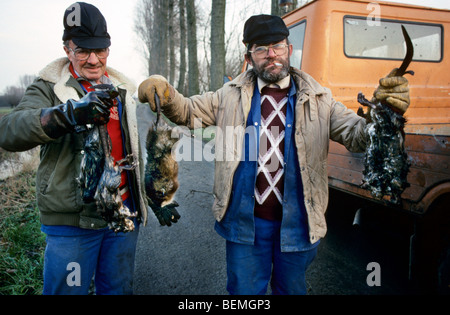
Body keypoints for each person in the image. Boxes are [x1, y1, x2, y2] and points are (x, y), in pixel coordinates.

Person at [138, 14, 410, 295]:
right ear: (249, 56)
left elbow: (357, 135)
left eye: (278, 46)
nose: (271, 55)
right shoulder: (228, 96)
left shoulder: (319, 98)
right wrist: (165, 91)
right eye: (261, 48)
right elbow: (187, 111)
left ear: (289, 49)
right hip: (245, 225)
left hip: (298, 225)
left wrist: (386, 113)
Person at [0, 2, 156, 295]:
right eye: (82, 50)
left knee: (119, 290)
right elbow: (9, 132)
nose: (94, 59)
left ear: (109, 48)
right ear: (66, 49)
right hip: (72, 225)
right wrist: (67, 114)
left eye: (100, 50)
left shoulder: (123, 88)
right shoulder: (48, 87)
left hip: (122, 213)